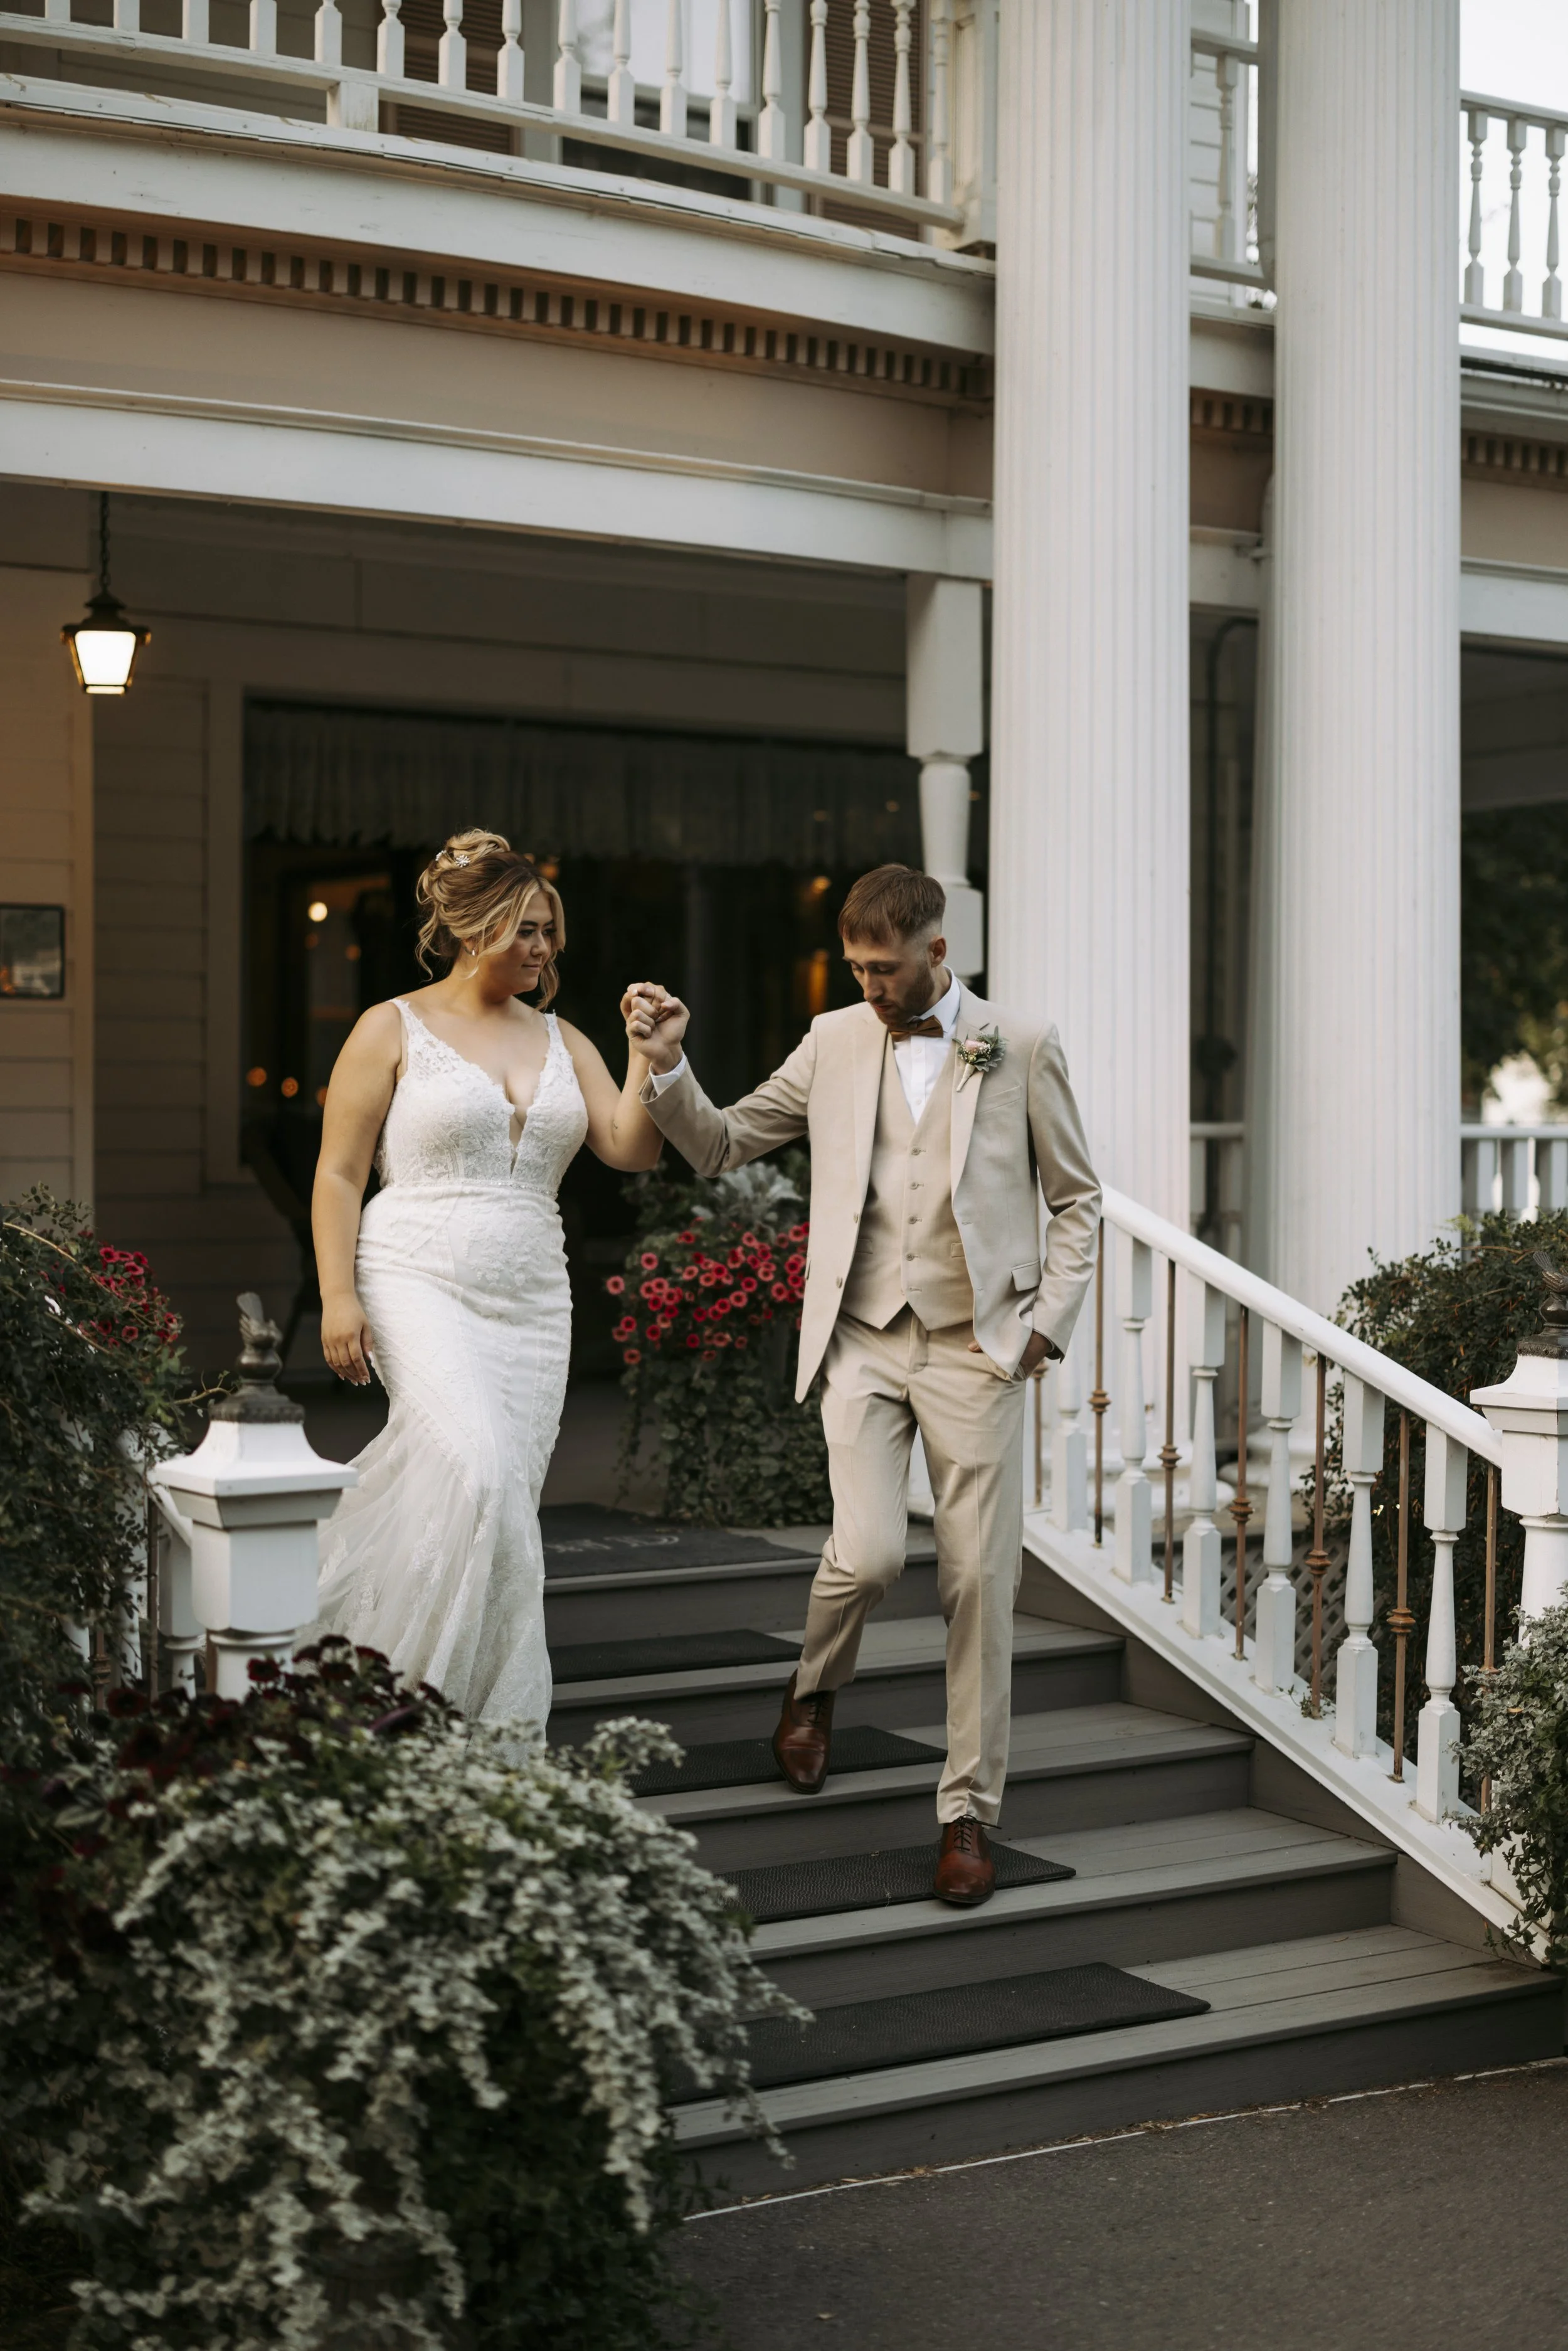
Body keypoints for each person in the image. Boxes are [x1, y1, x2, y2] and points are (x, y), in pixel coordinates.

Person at [623, 864, 1100, 1906]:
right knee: (873, 1552)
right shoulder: (836, 1040)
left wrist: (1040, 1332)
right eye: (857, 969)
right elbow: (721, 1142)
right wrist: (664, 1069)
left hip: (980, 1346)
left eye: (885, 969)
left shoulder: (1021, 1044)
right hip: (864, 1336)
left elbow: (1077, 1202)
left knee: (979, 1583)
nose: (870, 987)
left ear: (938, 951)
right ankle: (813, 1686)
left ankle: (969, 1813)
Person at [310, 829, 664, 1725]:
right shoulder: (389, 1027)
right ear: (472, 928)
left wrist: (647, 1055)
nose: (544, 949)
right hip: (414, 1272)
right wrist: (338, 1293)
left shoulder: (562, 1037)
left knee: (501, 1502)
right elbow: (341, 1172)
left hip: (533, 1300)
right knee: (474, 1472)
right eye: (527, 931)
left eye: (550, 932)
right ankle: (398, 1704)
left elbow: (627, 1148)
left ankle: (476, 1721)